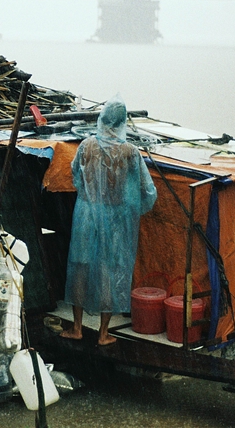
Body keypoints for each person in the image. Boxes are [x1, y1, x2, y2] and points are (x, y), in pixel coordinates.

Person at [60, 96, 157, 345]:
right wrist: (133, 210)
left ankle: (78, 328)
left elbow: (75, 175)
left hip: (86, 214)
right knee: (108, 272)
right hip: (114, 218)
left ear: (102, 118)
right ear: (123, 121)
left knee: (79, 268)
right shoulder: (130, 151)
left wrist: (90, 194)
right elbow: (147, 190)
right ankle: (103, 334)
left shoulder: (87, 145)